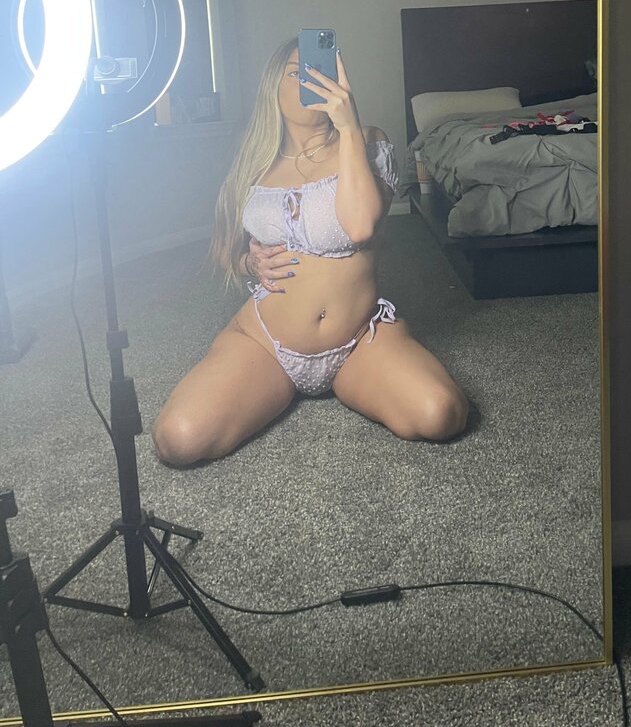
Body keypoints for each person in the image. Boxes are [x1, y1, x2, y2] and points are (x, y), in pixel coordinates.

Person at [152, 37, 468, 466]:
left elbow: (360, 226)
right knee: (178, 439)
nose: (312, 80)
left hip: (359, 339)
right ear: (273, 87)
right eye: (297, 72)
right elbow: (225, 250)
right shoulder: (255, 163)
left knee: (441, 413)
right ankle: (271, 384)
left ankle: (357, 376)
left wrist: (348, 127)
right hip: (265, 342)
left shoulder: (367, 142)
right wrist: (249, 261)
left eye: (320, 70)